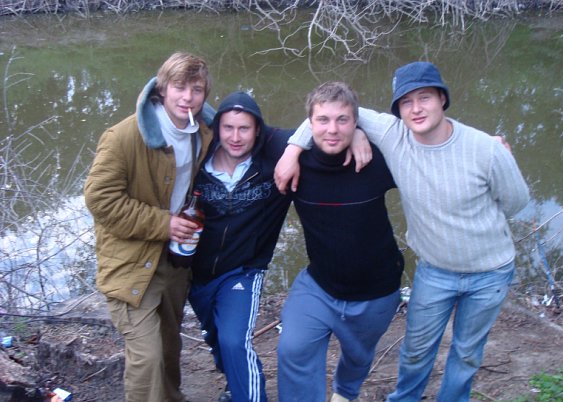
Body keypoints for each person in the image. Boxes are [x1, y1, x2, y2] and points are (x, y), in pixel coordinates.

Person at [275, 62, 530, 402]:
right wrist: (293, 148)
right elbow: (330, 113)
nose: (416, 108)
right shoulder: (393, 136)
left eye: (425, 98)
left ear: (442, 99)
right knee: (415, 353)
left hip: (490, 272)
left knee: (467, 354)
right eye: (406, 102)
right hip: (434, 271)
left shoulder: (484, 149)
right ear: (398, 110)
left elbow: (515, 202)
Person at [84, 52, 215, 402]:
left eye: (197, 89)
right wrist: (164, 224)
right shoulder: (123, 137)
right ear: (162, 88)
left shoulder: (205, 131)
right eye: (179, 87)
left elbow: (254, 135)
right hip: (130, 262)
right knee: (148, 357)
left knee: (169, 348)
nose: (187, 97)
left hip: (174, 261)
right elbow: (100, 200)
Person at [276, 81, 405, 402]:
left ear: (356, 121)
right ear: (309, 123)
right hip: (319, 286)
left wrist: (489, 146)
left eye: (343, 120)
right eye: (322, 120)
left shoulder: (378, 159)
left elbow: (430, 141)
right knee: (293, 348)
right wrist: (292, 149)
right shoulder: (293, 160)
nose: (332, 130)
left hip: (378, 291)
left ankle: (345, 393)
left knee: (359, 356)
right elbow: (235, 128)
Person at [187, 91, 294, 402]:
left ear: (257, 130)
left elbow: (321, 129)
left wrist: (355, 136)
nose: (235, 137)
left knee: (234, 340)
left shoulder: (272, 164)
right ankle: (235, 383)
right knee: (217, 338)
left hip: (243, 271)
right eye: (228, 128)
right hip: (196, 273)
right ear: (217, 128)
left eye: (244, 128)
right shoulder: (197, 162)